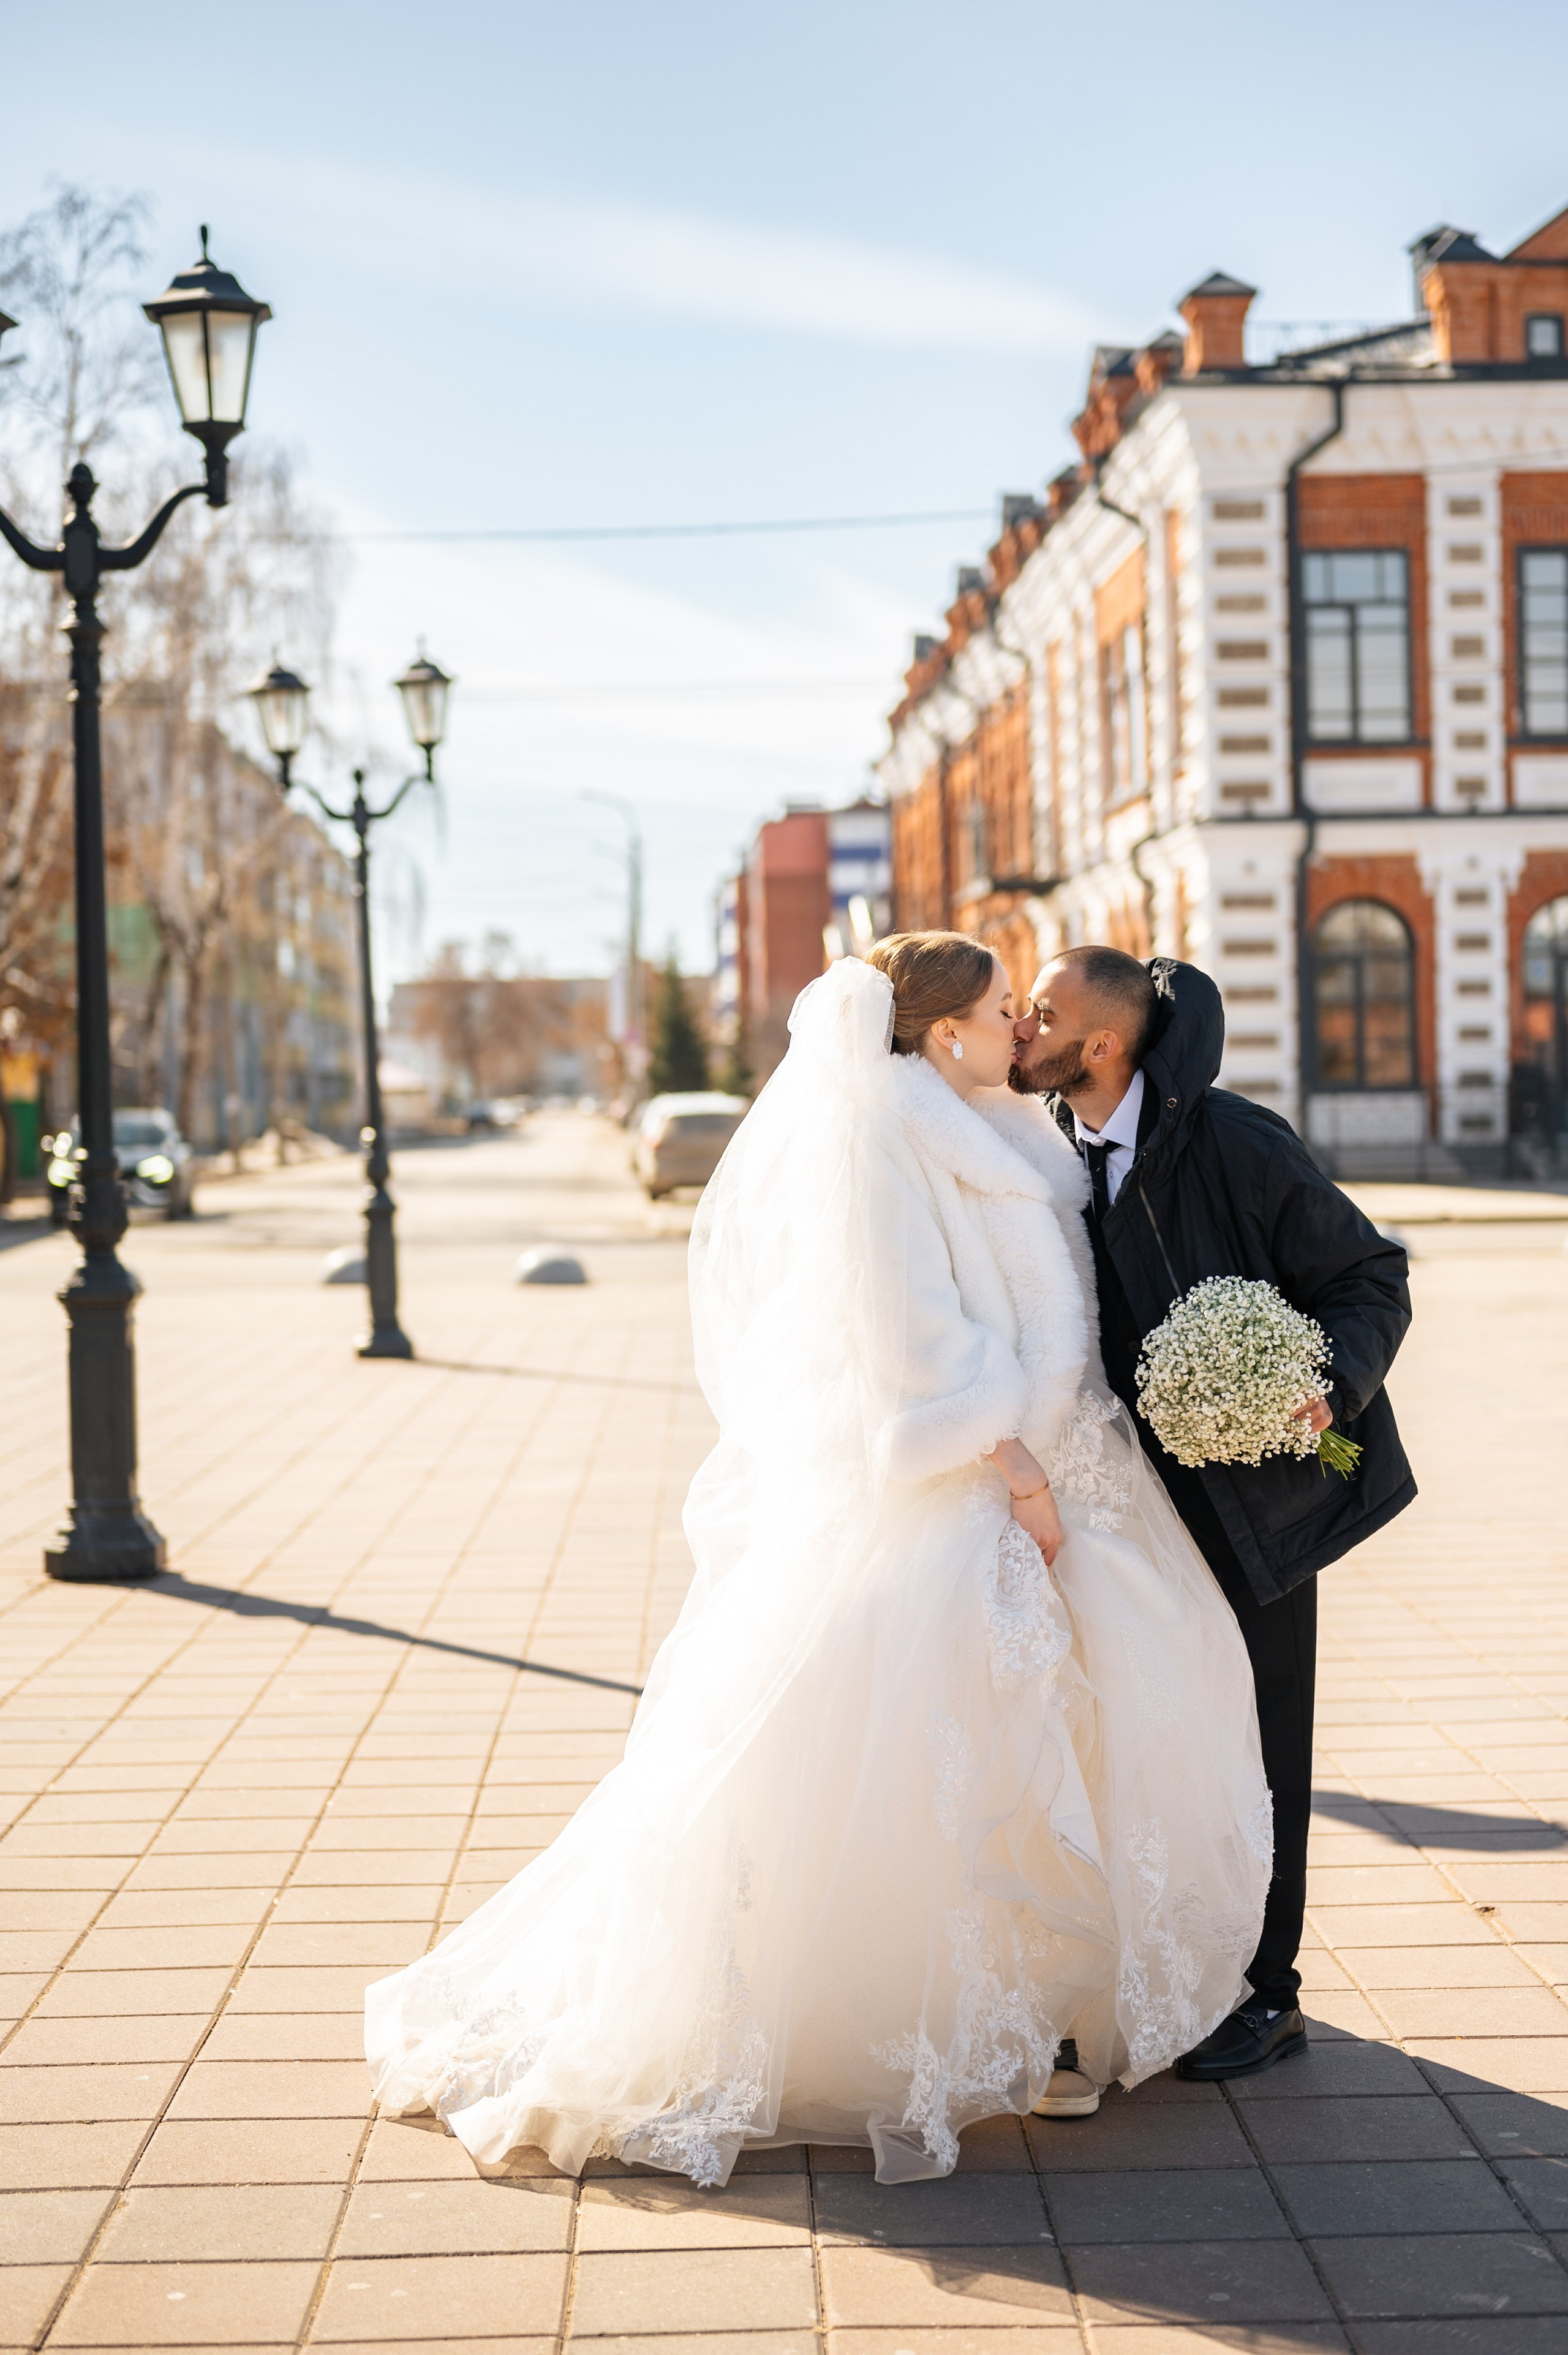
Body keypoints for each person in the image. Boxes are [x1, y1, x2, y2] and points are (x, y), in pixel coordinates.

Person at [366, 936, 1272, 2185]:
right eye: (1003, 1010)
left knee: (1088, 1738)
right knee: (964, 1761)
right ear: (941, 1031)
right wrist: (1012, 1470)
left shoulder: (1001, 1125)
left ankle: (1051, 2016)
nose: (1022, 1027)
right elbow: (910, 1347)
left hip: (1062, 1470)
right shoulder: (879, 1143)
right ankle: (969, 2027)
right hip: (964, 1489)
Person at [1010, 946, 1415, 2080]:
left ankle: (1268, 1994)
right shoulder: (1048, 1154)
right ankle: (1179, 1964)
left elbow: (1371, 1273)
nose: (1022, 1026)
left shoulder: (1234, 1139)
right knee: (1167, 1742)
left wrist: (1322, 1387)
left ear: (1101, 1045)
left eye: (1043, 1013)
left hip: (1265, 1491)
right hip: (1124, 1506)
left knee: (1270, 1741)